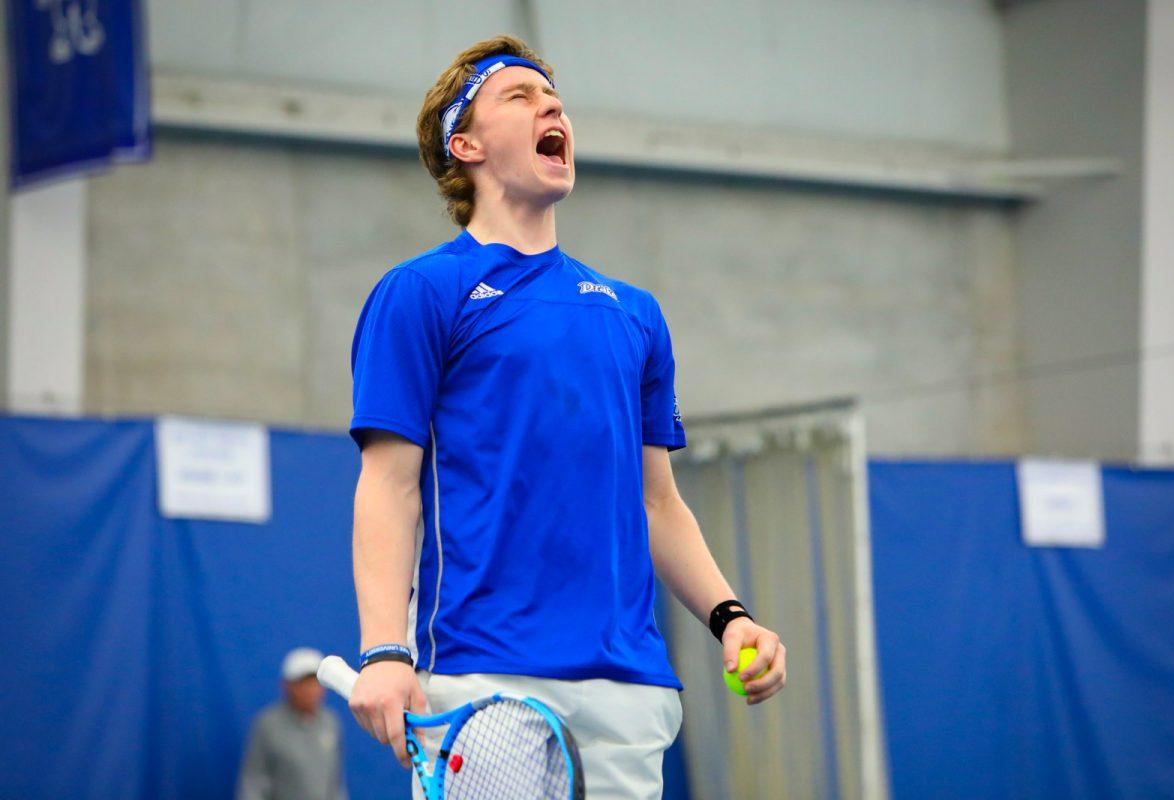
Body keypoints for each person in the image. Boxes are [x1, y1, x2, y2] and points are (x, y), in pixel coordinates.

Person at [346, 34, 787, 799]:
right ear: (466, 144)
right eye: (519, 96)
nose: (551, 106)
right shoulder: (421, 293)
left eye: (555, 99)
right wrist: (385, 650)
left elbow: (657, 500)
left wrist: (731, 616)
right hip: (485, 679)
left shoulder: (635, 315)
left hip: (630, 692)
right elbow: (389, 486)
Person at [237, 648, 347, 800]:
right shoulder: (268, 725)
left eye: (315, 682)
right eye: (303, 683)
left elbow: (334, 782)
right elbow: (253, 783)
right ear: (287, 685)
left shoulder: (330, 723)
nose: (310, 689)